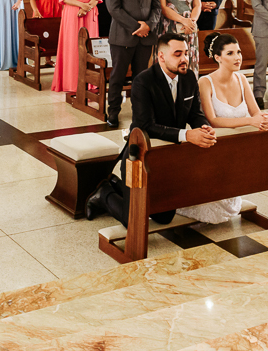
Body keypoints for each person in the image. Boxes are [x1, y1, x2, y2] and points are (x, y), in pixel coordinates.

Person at [84, 33, 215, 224]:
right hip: (140, 154)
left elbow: (195, 113)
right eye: (177, 54)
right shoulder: (143, 81)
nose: (184, 59)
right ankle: (104, 194)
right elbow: (146, 126)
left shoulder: (188, 78)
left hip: (168, 154)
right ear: (161, 56)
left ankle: (116, 185)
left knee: (164, 217)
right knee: (133, 220)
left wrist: (204, 127)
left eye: (186, 53)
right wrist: (186, 135)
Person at [178, 32, 268, 224]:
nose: (237, 57)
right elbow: (212, 120)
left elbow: (255, 112)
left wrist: (261, 119)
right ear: (217, 57)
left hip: (239, 147)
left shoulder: (242, 79)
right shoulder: (205, 82)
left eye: (238, 52)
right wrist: (249, 121)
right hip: (215, 147)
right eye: (230, 53)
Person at [104, 0, 161, 129]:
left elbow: (156, 7)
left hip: (146, 38)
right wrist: (137, 27)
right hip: (122, 36)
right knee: (118, 76)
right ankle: (113, 112)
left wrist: (149, 26)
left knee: (141, 77)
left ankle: (140, 113)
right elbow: (113, 8)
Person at [53, 0, 101, 94]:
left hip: (90, 14)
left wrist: (87, 8)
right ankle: (71, 81)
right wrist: (82, 5)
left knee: (89, 47)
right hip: (72, 15)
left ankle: (90, 82)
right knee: (72, 47)